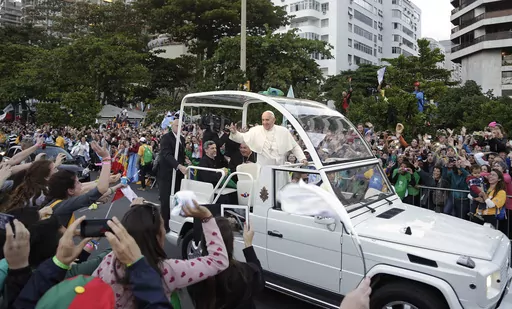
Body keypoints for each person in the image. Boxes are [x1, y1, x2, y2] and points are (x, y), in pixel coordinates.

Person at [188, 218, 264, 309]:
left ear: (204, 243)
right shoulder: (244, 273)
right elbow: (259, 281)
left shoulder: (194, 277)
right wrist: (248, 244)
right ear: (231, 244)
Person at [229, 111, 307, 166]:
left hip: (280, 168)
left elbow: (294, 146)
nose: (264, 122)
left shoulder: (283, 131)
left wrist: (302, 158)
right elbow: (242, 138)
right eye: (263, 120)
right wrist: (234, 133)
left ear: (273, 120)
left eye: (267, 120)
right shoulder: (256, 130)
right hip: (263, 169)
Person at [159, 119, 187, 232]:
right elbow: (166, 154)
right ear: (172, 126)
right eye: (177, 125)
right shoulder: (166, 138)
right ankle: (164, 226)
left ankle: (174, 222)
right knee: (166, 200)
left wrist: (185, 161)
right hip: (167, 173)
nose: (180, 128)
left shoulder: (182, 139)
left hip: (178, 174)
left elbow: (181, 154)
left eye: (181, 126)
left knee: (176, 199)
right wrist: (178, 165)